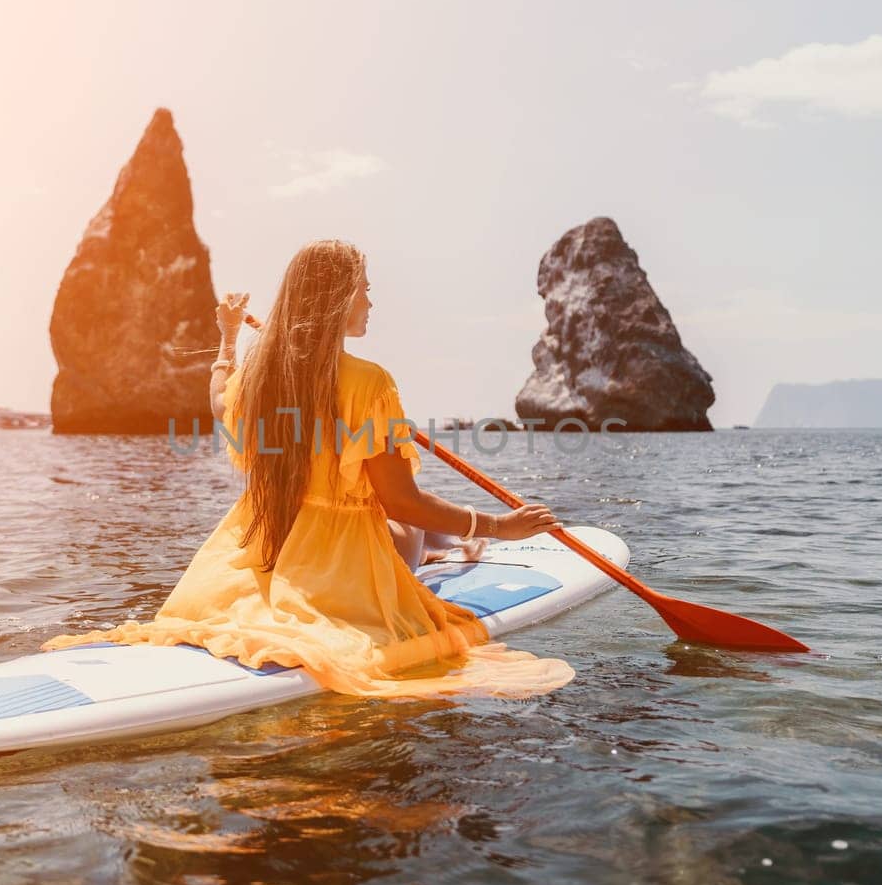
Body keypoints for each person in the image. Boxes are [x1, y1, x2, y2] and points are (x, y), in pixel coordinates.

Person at [43, 239, 573, 697]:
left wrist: (228, 335)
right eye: (364, 288)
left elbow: (217, 405)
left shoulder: (258, 375)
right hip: (342, 567)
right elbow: (401, 502)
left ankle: (449, 546)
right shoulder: (370, 382)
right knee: (410, 524)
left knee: (401, 521)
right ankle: (457, 546)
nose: (371, 299)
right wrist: (498, 526)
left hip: (260, 552)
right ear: (338, 299)